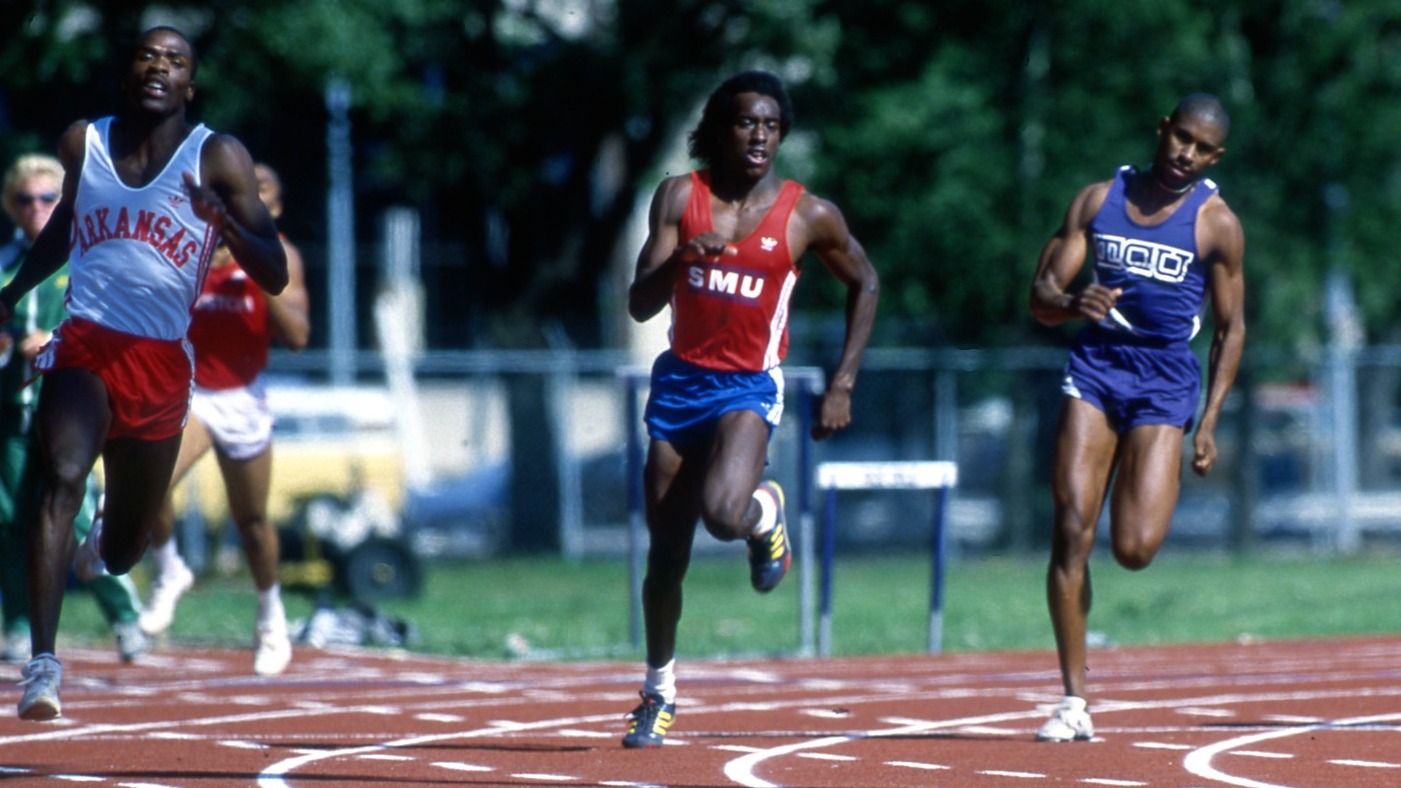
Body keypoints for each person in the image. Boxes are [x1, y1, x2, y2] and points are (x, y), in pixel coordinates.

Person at [0, 26, 288, 721]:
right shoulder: (84, 142)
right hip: (85, 343)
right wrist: (6, 295)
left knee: (127, 549)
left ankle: (109, 533)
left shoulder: (216, 155)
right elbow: (66, 227)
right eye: (147, 55)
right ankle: (43, 665)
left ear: (191, 83)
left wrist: (227, 224)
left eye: (175, 60)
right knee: (60, 475)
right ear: (127, 70)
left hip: (160, 365)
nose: (159, 66)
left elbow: (274, 272)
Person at [622, 70, 880, 748]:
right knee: (665, 557)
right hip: (679, 385)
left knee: (722, 513)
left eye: (770, 124)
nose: (759, 135)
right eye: (745, 123)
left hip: (747, 387)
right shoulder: (680, 196)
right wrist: (681, 260)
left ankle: (763, 511)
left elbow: (865, 280)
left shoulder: (806, 214)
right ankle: (658, 693)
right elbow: (639, 304)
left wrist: (842, 382)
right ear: (720, 129)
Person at [1028, 93, 1245, 742]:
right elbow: (1039, 298)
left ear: (1215, 156)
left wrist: (1207, 421)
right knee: (1070, 528)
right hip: (1095, 368)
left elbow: (1231, 330)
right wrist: (1071, 302)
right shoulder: (1098, 201)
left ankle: (1134, 477)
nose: (1186, 153)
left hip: (1163, 379)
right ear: (1161, 130)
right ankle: (1072, 700)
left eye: (1202, 147)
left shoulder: (1216, 223)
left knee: (1133, 548)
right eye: (1180, 137)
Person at [138, 162, 309, 676]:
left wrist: (261, 274)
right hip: (192, 392)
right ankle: (170, 570)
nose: (247, 195)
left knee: (253, 523)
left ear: (272, 209)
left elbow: (298, 338)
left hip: (243, 396)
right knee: (149, 482)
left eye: (262, 191)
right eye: (239, 188)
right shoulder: (188, 248)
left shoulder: (282, 256)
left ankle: (270, 613)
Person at [0, 155, 149, 666]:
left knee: (79, 516)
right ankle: (18, 624)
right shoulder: (5, 264)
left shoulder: (81, 257)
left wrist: (53, 340)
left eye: (48, 198)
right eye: (26, 199)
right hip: (15, 409)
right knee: (12, 519)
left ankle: (126, 617)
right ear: (12, 206)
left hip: (68, 406)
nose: (37, 208)